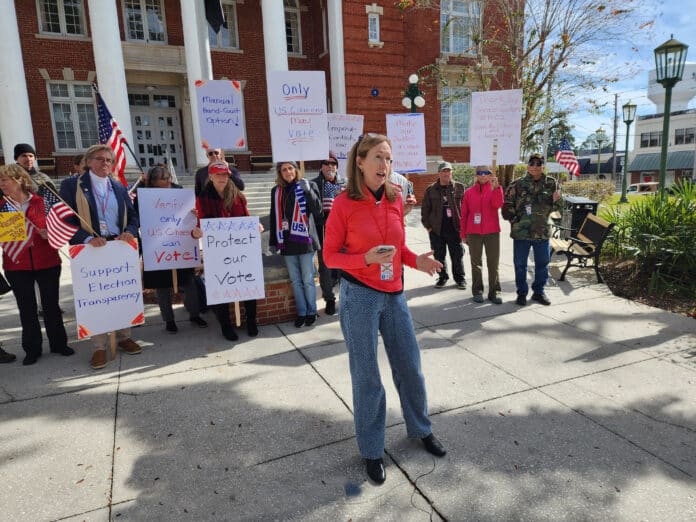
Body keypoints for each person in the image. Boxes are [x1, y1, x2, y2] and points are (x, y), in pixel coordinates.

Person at [323, 133, 447, 485]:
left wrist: (416, 261)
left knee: (410, 366)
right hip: (359, 296)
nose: (385, 165)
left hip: (394, 294)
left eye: (389, 158)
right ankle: (372, 450)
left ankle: (421, 429)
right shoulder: (344, 203)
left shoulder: (394, 200)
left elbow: (398, 249)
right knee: (367, 377)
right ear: (359, 162)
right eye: (378, 157)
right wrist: (363, 259)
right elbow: (330, 256)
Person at [59, 144, 142, 370]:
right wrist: (86, 238)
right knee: (97, 297)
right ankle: (98, 346)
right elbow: (65, 220)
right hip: (90, 248)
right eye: (99, 159)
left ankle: (124, 337)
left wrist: (130, 231)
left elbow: (133, 217)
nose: (105, 163)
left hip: (118, 245)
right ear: (88, 162)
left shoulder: (118, 187)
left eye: (108, 160)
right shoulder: (71, 186)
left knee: (120, 293)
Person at [0, 164, 74, 365]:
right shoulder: (2, 206)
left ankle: (59, 343)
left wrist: (50, 233)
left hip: (47, 261)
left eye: (4, 180)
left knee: (51, 305)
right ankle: (32, 349)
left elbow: (64, 226)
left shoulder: (42, 202)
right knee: (27, 309)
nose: (1, 184)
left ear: (19, 180)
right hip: (17, 265)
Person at [136, 165, 207, 334]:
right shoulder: (142, 196)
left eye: (168, 177)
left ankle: (194, 314)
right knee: (162, 288)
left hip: (181, 244)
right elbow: (138, 218)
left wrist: (194, 213)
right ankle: (169, 320)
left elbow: (189, 216)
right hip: (157, 247)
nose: (168, 180)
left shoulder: (180, 193)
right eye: (163, 178)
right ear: (153, 181)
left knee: (189, 284)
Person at [194, 161, 259, 339]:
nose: (222, 178)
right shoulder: (203, 198)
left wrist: (255, 226)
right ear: (211, 176)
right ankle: (225, 325)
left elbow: (245, 218)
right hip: (218, 251)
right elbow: (201, 223)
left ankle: (252, 319)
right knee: (221, 286)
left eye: (225, 175)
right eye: (218, 175)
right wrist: (197, 231)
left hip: (239, 248)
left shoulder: (238, 196)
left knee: (247, 283)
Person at [502, 153, 562, 306]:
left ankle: (539, 292)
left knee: (543, 264)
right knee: (520, 264)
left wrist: (557, 202)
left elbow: (559, 210)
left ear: (543, 166)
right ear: (528, 166)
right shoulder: (517, 184)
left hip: (542, 232)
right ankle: (521, 293)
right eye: (532, 163)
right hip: (521, 233)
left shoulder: (551, 183)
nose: (535, 167)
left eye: (538, 164)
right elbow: (507, 207)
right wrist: (517, 222)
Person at [269, 161, 322, 328]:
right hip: (287, 242)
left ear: (296, 170)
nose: (287, 172)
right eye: (283, 169)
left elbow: (318, 211)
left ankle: (312, 312)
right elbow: (273, 216)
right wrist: (273, 241)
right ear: (280, 173)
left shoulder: (308, 185)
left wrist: (309, 192)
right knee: (295, 281)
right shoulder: (276, 191)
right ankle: (301, 312)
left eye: (290, 168)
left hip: (305, 240)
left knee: (307, 279)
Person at [460, 165, 504, 304]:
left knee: (493, 263)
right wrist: (463, 234)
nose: (483, 175)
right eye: (480, 173)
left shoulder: (494, 189)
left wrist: (497, 189)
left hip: (492, 232)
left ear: (490, 175)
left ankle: (494, 292)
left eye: (486, 173)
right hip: (473, 232)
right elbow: (464, 215)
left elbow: (498, 204)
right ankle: (477, 291)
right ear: (476, 175)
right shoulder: (469, 192)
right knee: (476, 264)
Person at [421, 161, 466, 289]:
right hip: (437, 229)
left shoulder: (459, 187)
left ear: (451, 172)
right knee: (439, 256)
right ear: (439, 173)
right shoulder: (431, 189)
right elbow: (425, 210)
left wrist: (465, 226)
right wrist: (428, 227)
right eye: (443, 171)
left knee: (457, 255)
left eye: (448, 171)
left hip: (455, 228)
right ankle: (442, 277)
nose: (446, 173)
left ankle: (460, 279)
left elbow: (466, 208)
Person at [311, 152, 344, 315]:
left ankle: (346, 298)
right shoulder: (313, 184)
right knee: (324, 267)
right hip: (323, 229)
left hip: (343, 230)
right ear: (321, 166)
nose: (330, 166)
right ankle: (329, 299)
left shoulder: (344, 183)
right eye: (327, 163)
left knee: (345, 265)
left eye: (333, 164)